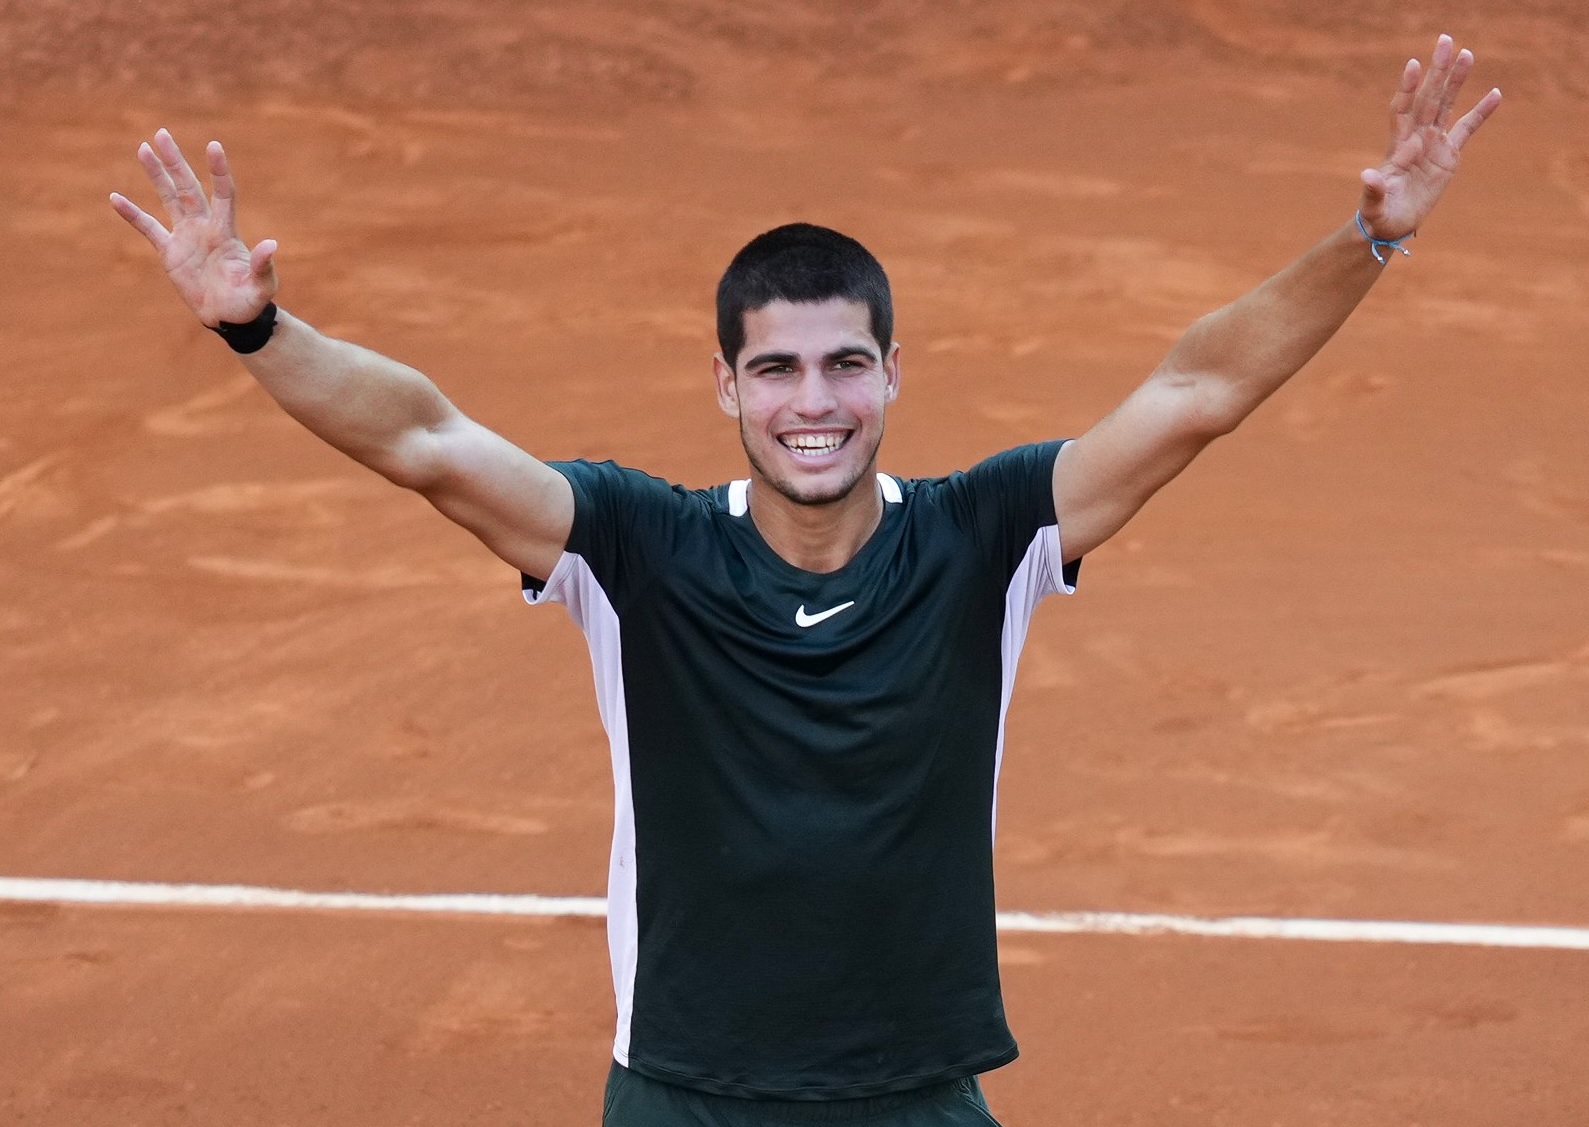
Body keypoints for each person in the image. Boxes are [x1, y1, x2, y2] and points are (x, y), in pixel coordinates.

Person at [111, 34, 1499, 1127]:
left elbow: (1196, 390)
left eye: (844, 364)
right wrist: (257, 329)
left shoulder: (984, 539)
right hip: (683, 1093)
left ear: (894, 373)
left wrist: (1367, 239)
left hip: (913, 1090)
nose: (812, 402)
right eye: (774, 368)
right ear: (725, 384)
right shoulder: (633, 550)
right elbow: (424, 441)